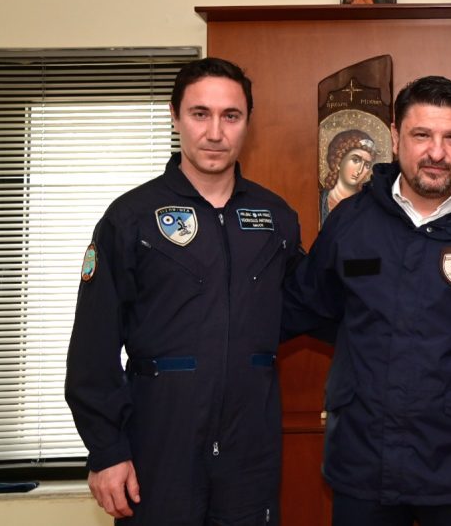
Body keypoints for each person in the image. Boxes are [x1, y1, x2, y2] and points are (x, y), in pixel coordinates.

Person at [286, 75, 451, 525]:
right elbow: (309, 306)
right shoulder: (350, 222)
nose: (437, 153)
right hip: (363, 462)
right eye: (422, 135)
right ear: (395, 137)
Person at [65, 57, 306, 524]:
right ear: (175, 116)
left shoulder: (276, 218)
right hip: (159, 447)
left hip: (249, 451)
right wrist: (106, 449)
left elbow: (306, 305)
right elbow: (92, 349)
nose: (215, 133)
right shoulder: (130, 218)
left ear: (248, 122)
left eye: (230, 116)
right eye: (200, 114)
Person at [320, 129, 376, 222]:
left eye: (367, 165)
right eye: (355, 160)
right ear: (338, 161)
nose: (360, 170)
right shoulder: (318, 201)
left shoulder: (369, 204)